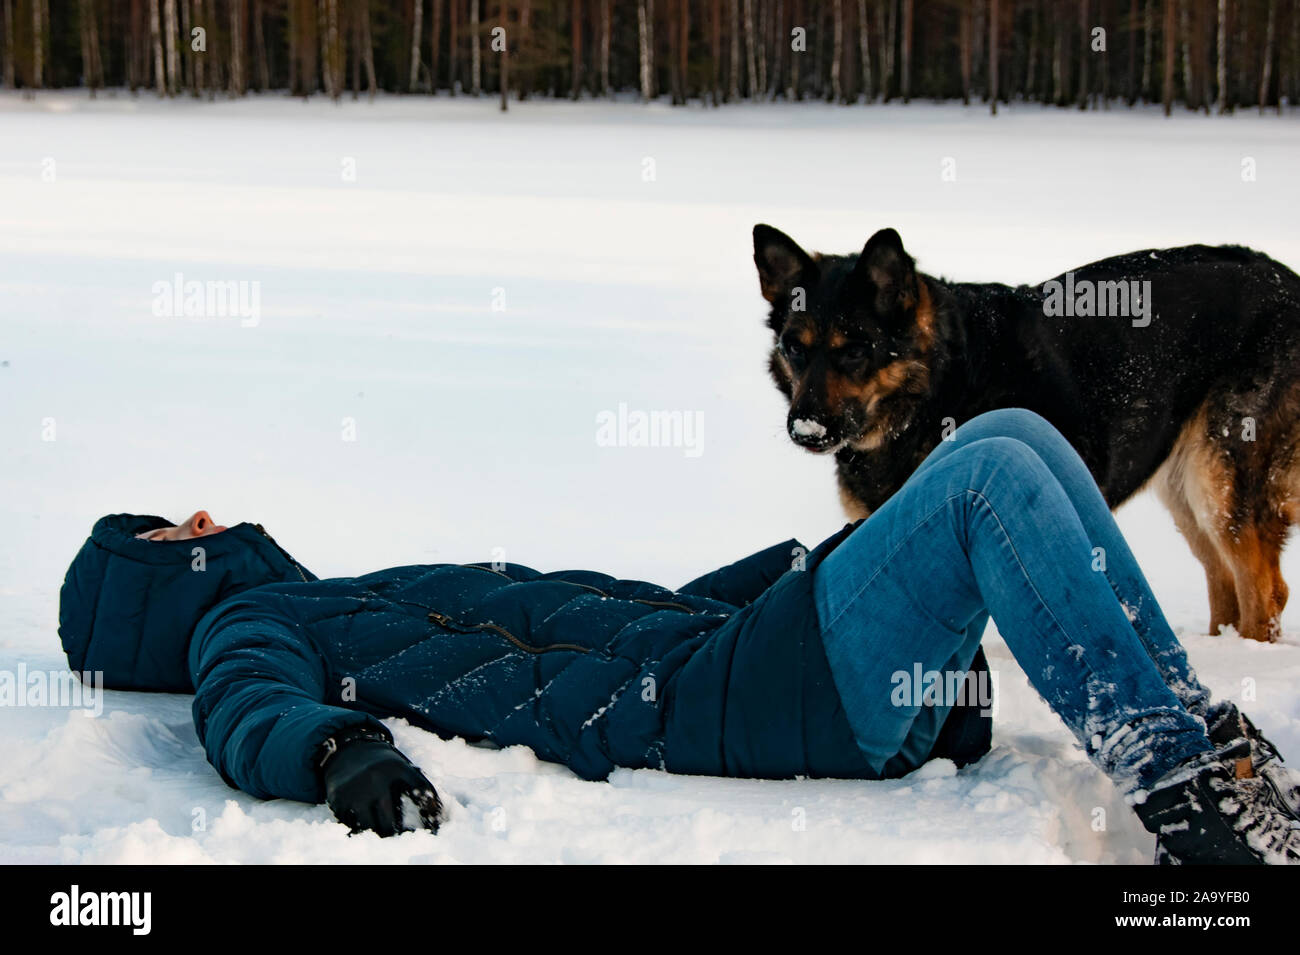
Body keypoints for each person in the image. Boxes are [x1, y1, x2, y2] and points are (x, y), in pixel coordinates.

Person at [58, 409, 1299, 863]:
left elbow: (604, 616)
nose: (207, 517)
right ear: (159, 586)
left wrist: (770, 578)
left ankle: (1197, 745)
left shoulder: (339, 594)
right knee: (989, 482)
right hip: (733, 698)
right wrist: (337, 756)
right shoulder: (252, 627)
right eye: (176, 530)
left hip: (743, 650)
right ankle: (1188, 787)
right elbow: (246, 715)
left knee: (1006, 437)